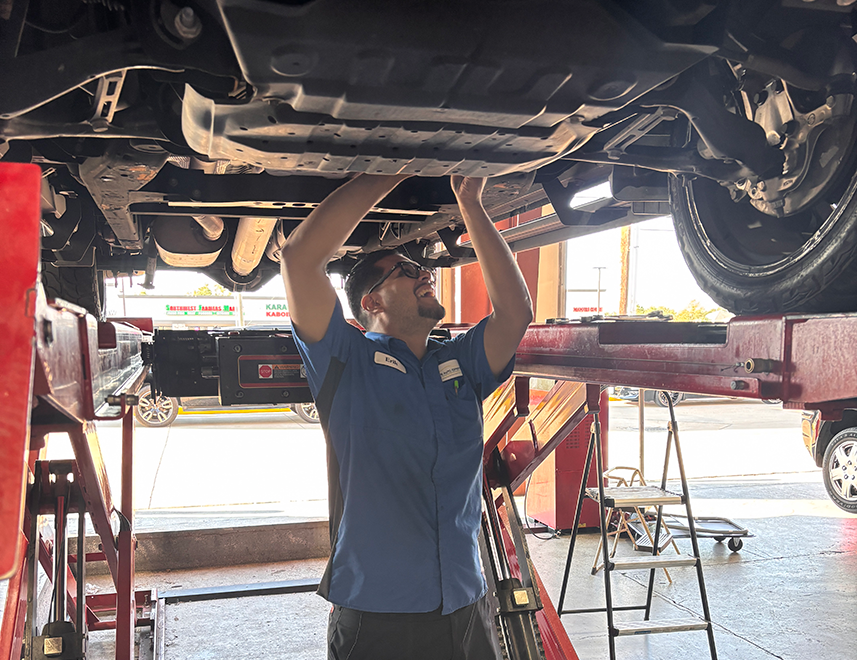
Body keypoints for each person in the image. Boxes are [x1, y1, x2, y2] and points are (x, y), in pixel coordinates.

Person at [279, 174, 533, 660]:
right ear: (370, 304)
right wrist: (397, 163)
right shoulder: (344, 359)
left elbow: (515, 312)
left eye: (421, 266)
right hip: (378, 614)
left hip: (465, 602)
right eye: (403, 269)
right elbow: (299, 259)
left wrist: (470, 202)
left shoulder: (459, 362)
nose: (424, 272)